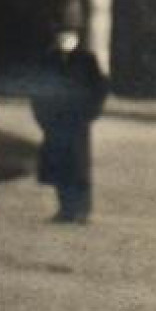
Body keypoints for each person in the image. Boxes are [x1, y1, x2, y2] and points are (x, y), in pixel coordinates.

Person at [31, 28, 108, 224]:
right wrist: (43, 118)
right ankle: (65, 209)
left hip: (77, 122)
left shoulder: (86, 60)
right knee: (59, 166)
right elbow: (37, 92)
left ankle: (82, 210)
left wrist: (90, 113)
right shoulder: (49, 61)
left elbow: (98, 89)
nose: (66, 41)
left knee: (79, 166)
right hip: (55, 122)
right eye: (62, 36)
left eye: (70, 37)